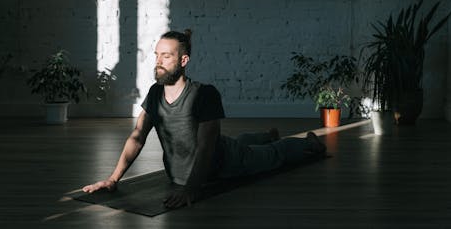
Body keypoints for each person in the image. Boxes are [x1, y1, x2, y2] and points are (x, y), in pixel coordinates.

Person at [82, 29, 326, 209]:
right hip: (184, 171)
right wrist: (112, 179)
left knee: (274, 153)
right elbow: (137, 137)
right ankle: (266, 135)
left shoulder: (204, 94)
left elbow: (207, 146)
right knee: (235, 140)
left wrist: (191, 189)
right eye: (157, 55)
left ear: (183, 61)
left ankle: (309, 143)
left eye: (166, 56)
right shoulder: (155, 93)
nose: (158, 62)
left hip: (227, 164)